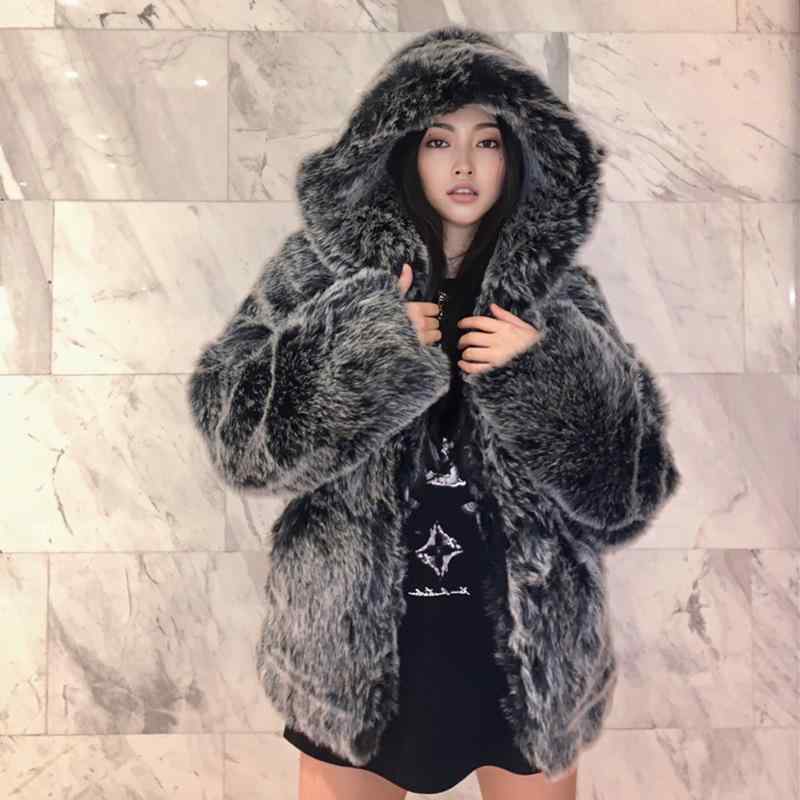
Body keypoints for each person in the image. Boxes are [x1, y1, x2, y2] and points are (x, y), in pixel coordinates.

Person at [187, 25, 682, 800]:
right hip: (352, 653)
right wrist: (360, 350)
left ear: (516, 157)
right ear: (401, 151)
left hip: (522, 661)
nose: (462, 165)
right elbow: (236, 442)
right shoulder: (319, 273)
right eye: (438, 140)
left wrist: (545, 373)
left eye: (487, 142)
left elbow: (629, 493)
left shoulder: (559, 297)